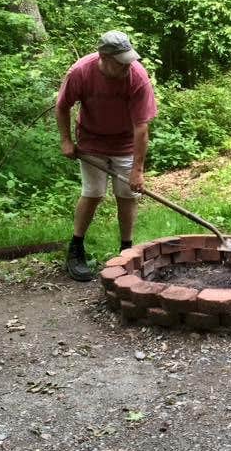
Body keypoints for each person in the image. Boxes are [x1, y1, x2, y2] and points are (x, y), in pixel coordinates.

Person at [55, 31, 158, 280]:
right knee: (93, 193)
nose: (126, 66)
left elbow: (141, 128)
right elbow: (62, 106)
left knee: (127, 194)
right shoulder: (81, 72)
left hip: (124, 143)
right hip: (92, 140)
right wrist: (67, 140)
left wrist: (137, 170)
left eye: (128, 60)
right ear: (103, 57)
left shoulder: (137, 76)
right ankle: (76, 249)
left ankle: (126, 250)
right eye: (120, 62)